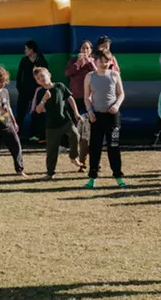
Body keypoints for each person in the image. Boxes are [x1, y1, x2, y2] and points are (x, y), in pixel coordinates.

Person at [84, 49, 126, 189]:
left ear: (110, 61)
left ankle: (118, 177)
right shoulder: (90, 76)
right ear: (95, 61)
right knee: (95, 147)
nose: (103, 64)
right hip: (96, 116)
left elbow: (121, 94)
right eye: (101, 61)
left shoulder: (114, 74)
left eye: (106, 61)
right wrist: (90, 112)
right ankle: (92, 178)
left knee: (114, 146)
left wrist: (117, 105)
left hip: (113, 117)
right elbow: (87, 97)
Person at [34, 67, 83, 179]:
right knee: (52, 150)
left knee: (75, 134)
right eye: (38, 78)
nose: (41, 79)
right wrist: (44, 99)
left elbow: (70, 98)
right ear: (37, 81)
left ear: (49, 75)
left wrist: (76, 113)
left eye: (42, 76)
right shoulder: (41, 92)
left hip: (65, 120)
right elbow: (38, 110)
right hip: (51, 125)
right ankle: (50, 173)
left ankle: (73, 156)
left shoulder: (60, 86)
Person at [64, 40, 95, 164]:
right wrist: (78, 64)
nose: (85, 51)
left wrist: (90, 63)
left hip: (89, 97)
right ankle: (72, 147)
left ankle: (87, 148)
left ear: (91, 50)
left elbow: (97, 73)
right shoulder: (73, 61)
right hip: (75, 96)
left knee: (88, 123)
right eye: (83, 48)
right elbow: (67, 73)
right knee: (73, 122)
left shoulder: (93, 62)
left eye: (87, 48)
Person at [15, 41, 49, 141]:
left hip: (37, 90)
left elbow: (45, 75)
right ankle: (17, 133)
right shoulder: (24, 60)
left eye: (26, 49)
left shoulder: (41, 61)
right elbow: (19, 74)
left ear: (32, 49)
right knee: (21, 112)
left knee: (36, 112)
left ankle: (35, 134)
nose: (25, 51)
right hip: (24, 90)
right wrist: (19, 87)